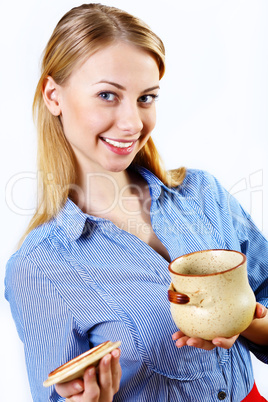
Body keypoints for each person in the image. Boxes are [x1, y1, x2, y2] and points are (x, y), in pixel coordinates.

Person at [5, 3, 268, 401]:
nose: (132, 123)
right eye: (108, 95)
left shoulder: (204, 195)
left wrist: (247, 322)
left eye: (146, 98)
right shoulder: (40, 267)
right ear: (53, 95)